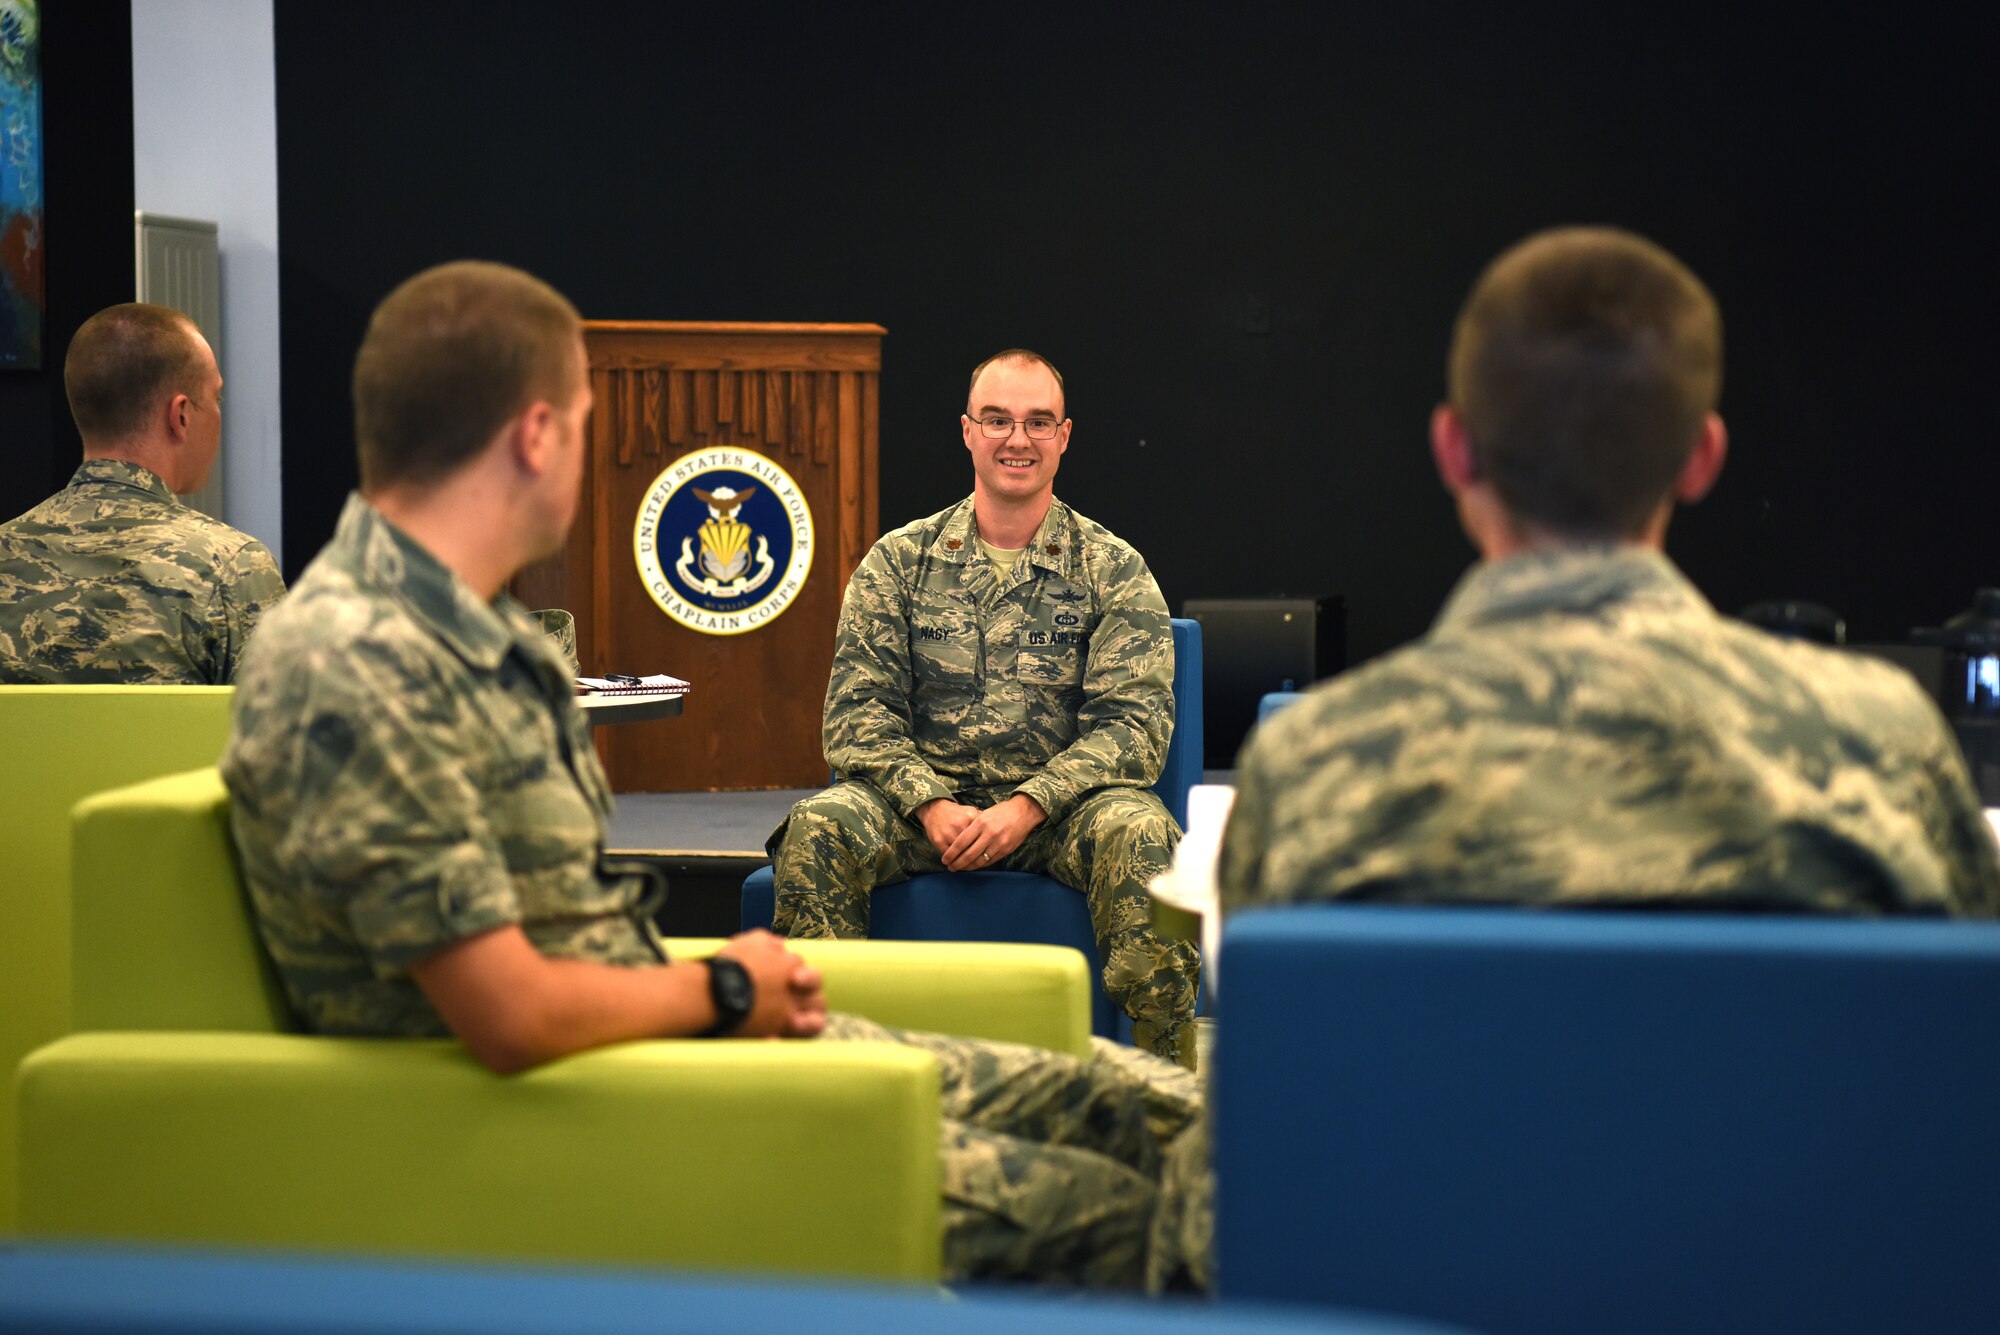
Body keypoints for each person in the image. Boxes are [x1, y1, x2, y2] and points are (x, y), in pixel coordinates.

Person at [220, 262, 1204, 1291]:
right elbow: (508, 1017)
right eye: (589, 418)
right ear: (536, 435)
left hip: (675, 1041)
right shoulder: (364, 665)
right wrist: (730, 984)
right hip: (641, 1107)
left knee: (1151, 1112)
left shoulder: (443, 632)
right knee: (1155, 1206)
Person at [1220, 226, 2000, 915]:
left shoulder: (1312, 773)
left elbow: (1276, 1074)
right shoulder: (1887, 750)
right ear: (1702, 459)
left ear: (1454, 449)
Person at [766, 350, 1202, 1067]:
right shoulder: (899, 561)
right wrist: (930, 805)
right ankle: (821, 1078)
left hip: (1062, 816)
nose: (1017, 439)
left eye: (1037, 422)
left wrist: (1028, 804)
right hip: (922, 814)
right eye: (997, 419)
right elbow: (857, 718)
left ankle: (1168, 1093)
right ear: (967, 432)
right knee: (818, 826)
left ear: (1065, 436)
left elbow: (1133, 731)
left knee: (1144, 835)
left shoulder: (1113, 568)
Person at [0, 303, 285, 683]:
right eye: (216, 398)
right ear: (181, 415)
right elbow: (290, 735)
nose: (219, 413)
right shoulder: (232, 570)